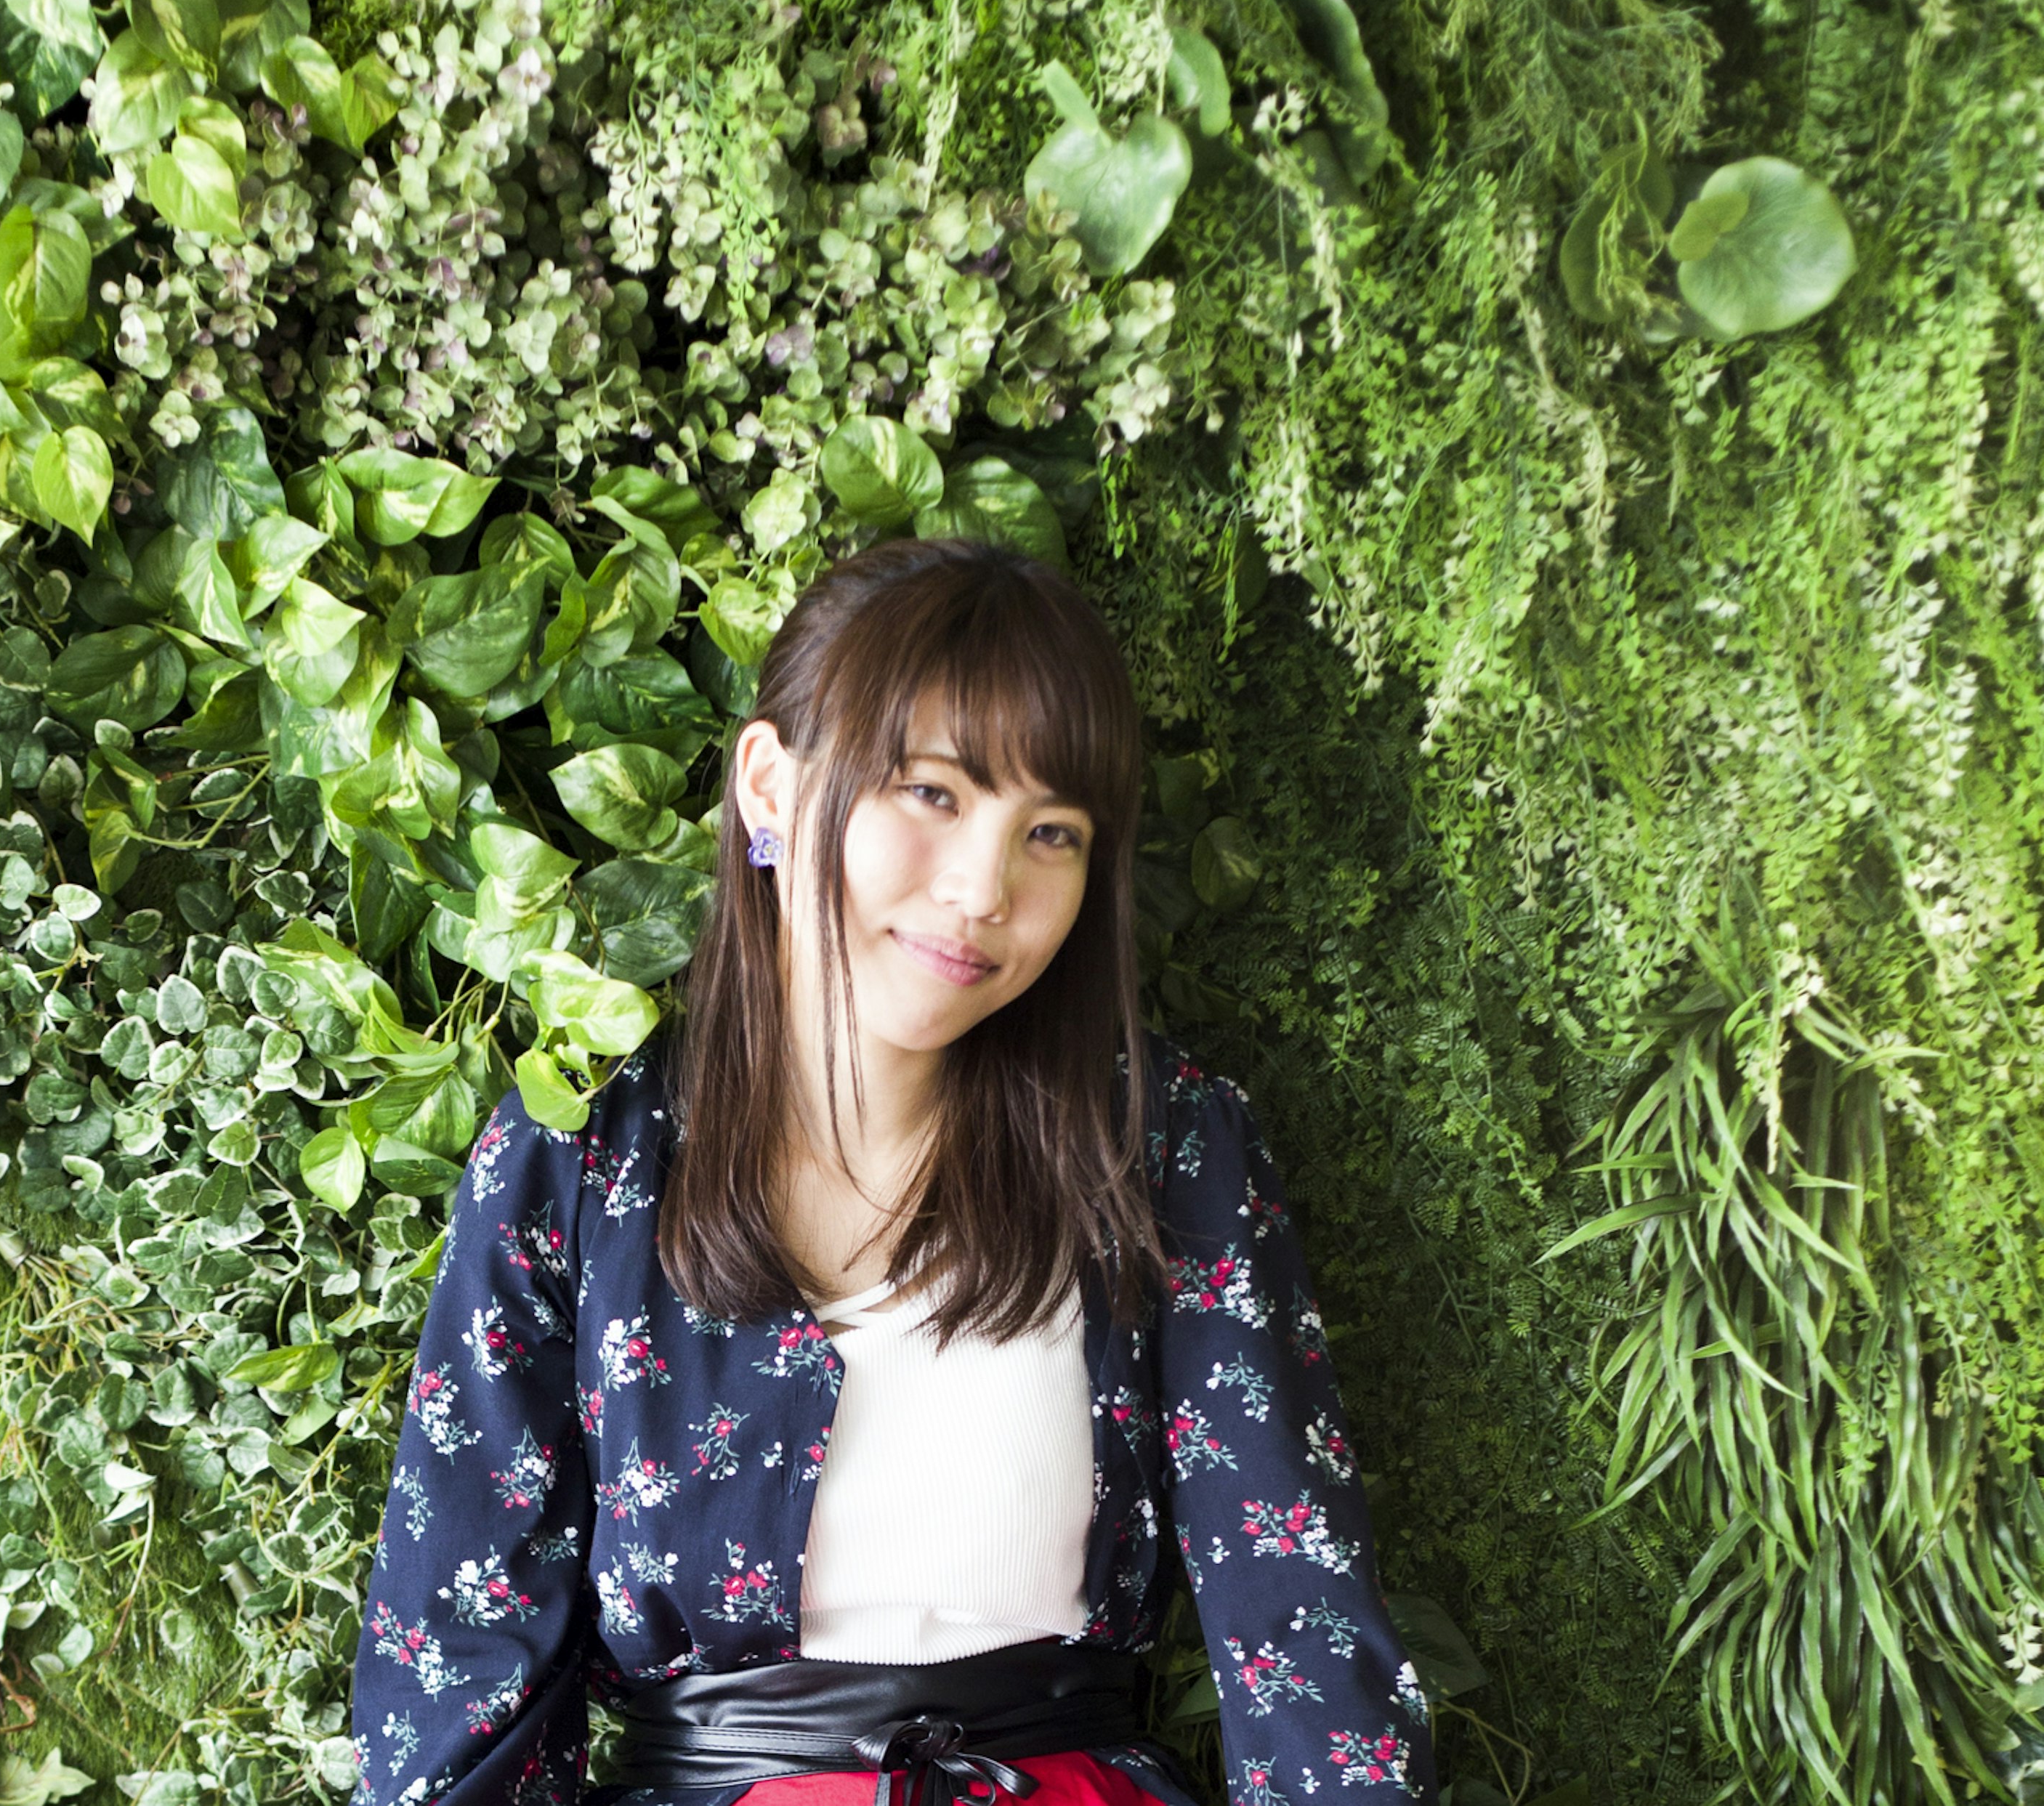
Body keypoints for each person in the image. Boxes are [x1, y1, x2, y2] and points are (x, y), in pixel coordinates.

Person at [348, 538, 1433, 1806]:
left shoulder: (1161, 1145)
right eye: (930, 793)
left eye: (1051, 832)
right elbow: (453, 1679)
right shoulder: (582, 1156)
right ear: (770, 785)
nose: (982, 888)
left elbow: (1301, 1635)